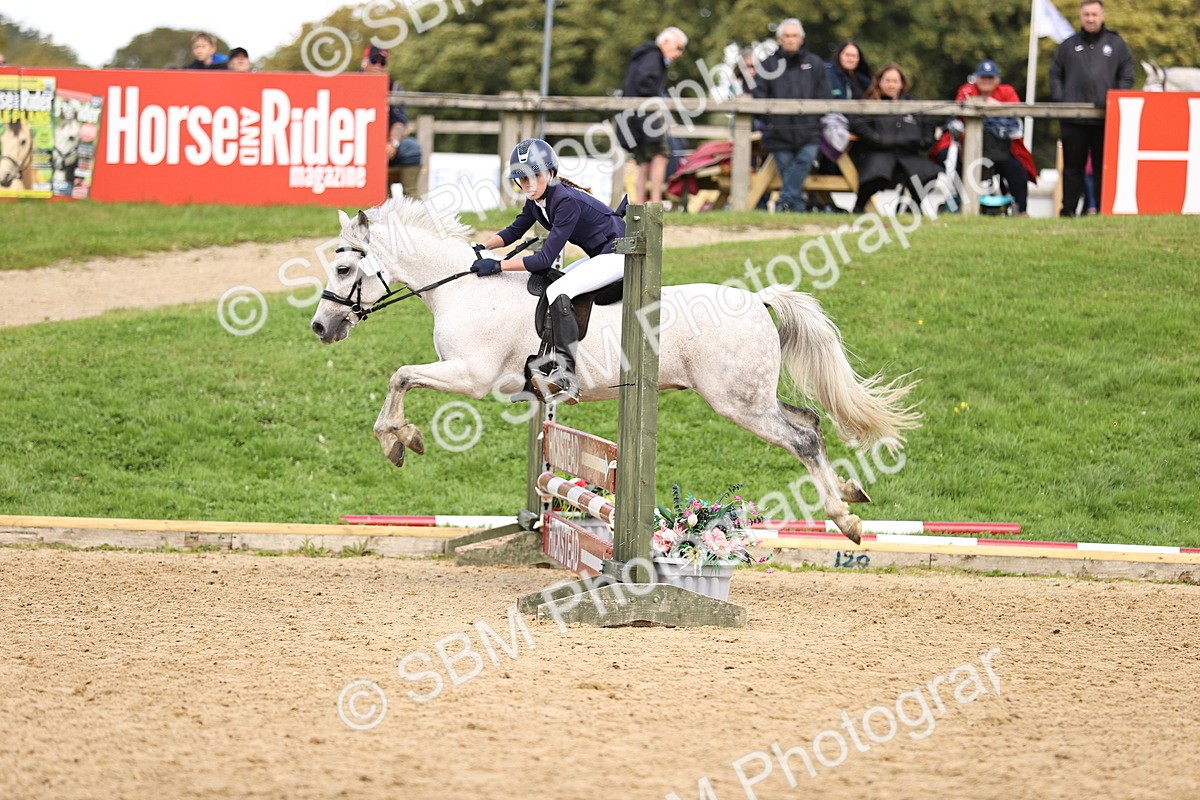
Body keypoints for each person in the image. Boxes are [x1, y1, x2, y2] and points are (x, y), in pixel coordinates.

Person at [473, 139, 626, 404]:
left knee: (558, 288)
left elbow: (544, 259)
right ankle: (543, 366)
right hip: (599, 255)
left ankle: (566, 376)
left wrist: (498, 265)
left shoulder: (565, 200)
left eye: (534, 176)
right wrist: (481, 247)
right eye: (521, 179)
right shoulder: (537, 200)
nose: (527, 184)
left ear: (550, 174)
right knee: (554, 284)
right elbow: (513, 231)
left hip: (620, 254)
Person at [1049, 0, 1134, 216]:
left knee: (1102, 169)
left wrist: (1116, 102)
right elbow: (1055, 74)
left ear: (1102, 15)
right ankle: (1067, 212)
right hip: (1073, 119)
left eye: (1094, 14)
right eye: (1086, 14)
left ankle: (1102, 211)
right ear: (1081, 16)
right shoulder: (1068, 45)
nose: (1090, 18)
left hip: (1105, 119)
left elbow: (1126, 75)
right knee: (1072, 169)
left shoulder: (1116, 45)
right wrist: (1062, 100)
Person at [930, 60, 1038, 215]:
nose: (986, 81)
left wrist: (996, 107)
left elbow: (1016, 116)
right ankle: (962, 206)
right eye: (983, 77)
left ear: (997, 79)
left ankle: (1022, 211)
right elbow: (960, 110)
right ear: (976, 78)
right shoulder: (967, 90)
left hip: (999, 150)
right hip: (967, 151)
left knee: (1018, 171)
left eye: (990, 78)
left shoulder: (1006, 91)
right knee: (952, 163)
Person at [751, 18, 832, 213]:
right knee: (788, 170)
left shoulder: (815, 64)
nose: (791, 39)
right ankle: (796, 208)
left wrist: (814, 119)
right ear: (780, 39)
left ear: (801, 39)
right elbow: (759, 96)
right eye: (787, 36)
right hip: (778, 132)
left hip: (809, 131)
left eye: (794, 35)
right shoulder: (768, 65)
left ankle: (784, 203)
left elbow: (825, 96)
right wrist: (770, 122)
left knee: (803, 162)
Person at [848, 63, 940, 214]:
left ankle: (914, 206)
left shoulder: (912, 104)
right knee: (875, 176)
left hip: (908, 154)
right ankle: (859, 206)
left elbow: (927, 122)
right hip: (879, 153)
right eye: (888, 80)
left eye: (895, 81)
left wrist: (925, 140)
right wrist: (876, 138)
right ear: (880, 82)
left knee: (929, 173)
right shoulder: (870, 103)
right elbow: (856, 122)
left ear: (902, 84)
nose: (891, 85)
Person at [618, 27, 687, 203]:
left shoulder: (644, 55)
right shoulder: (653, 56)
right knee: (661, 156)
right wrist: (658, 100)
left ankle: (640, 206)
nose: (679, 53)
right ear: (665, 42)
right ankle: (655, 203)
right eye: (678, 47)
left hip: (632, 118)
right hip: (645, 119)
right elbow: (645, 83)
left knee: (644, 163)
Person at [360, 45, 412, 191]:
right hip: (357, 144)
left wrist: (393, 142)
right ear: (364, 62)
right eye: (374, 60)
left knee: (412, 148)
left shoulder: (393, 86)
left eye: (382, 62)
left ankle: (413, 201)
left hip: (385, 144)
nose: (378, 65)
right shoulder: (350, 82)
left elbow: (400, 120)